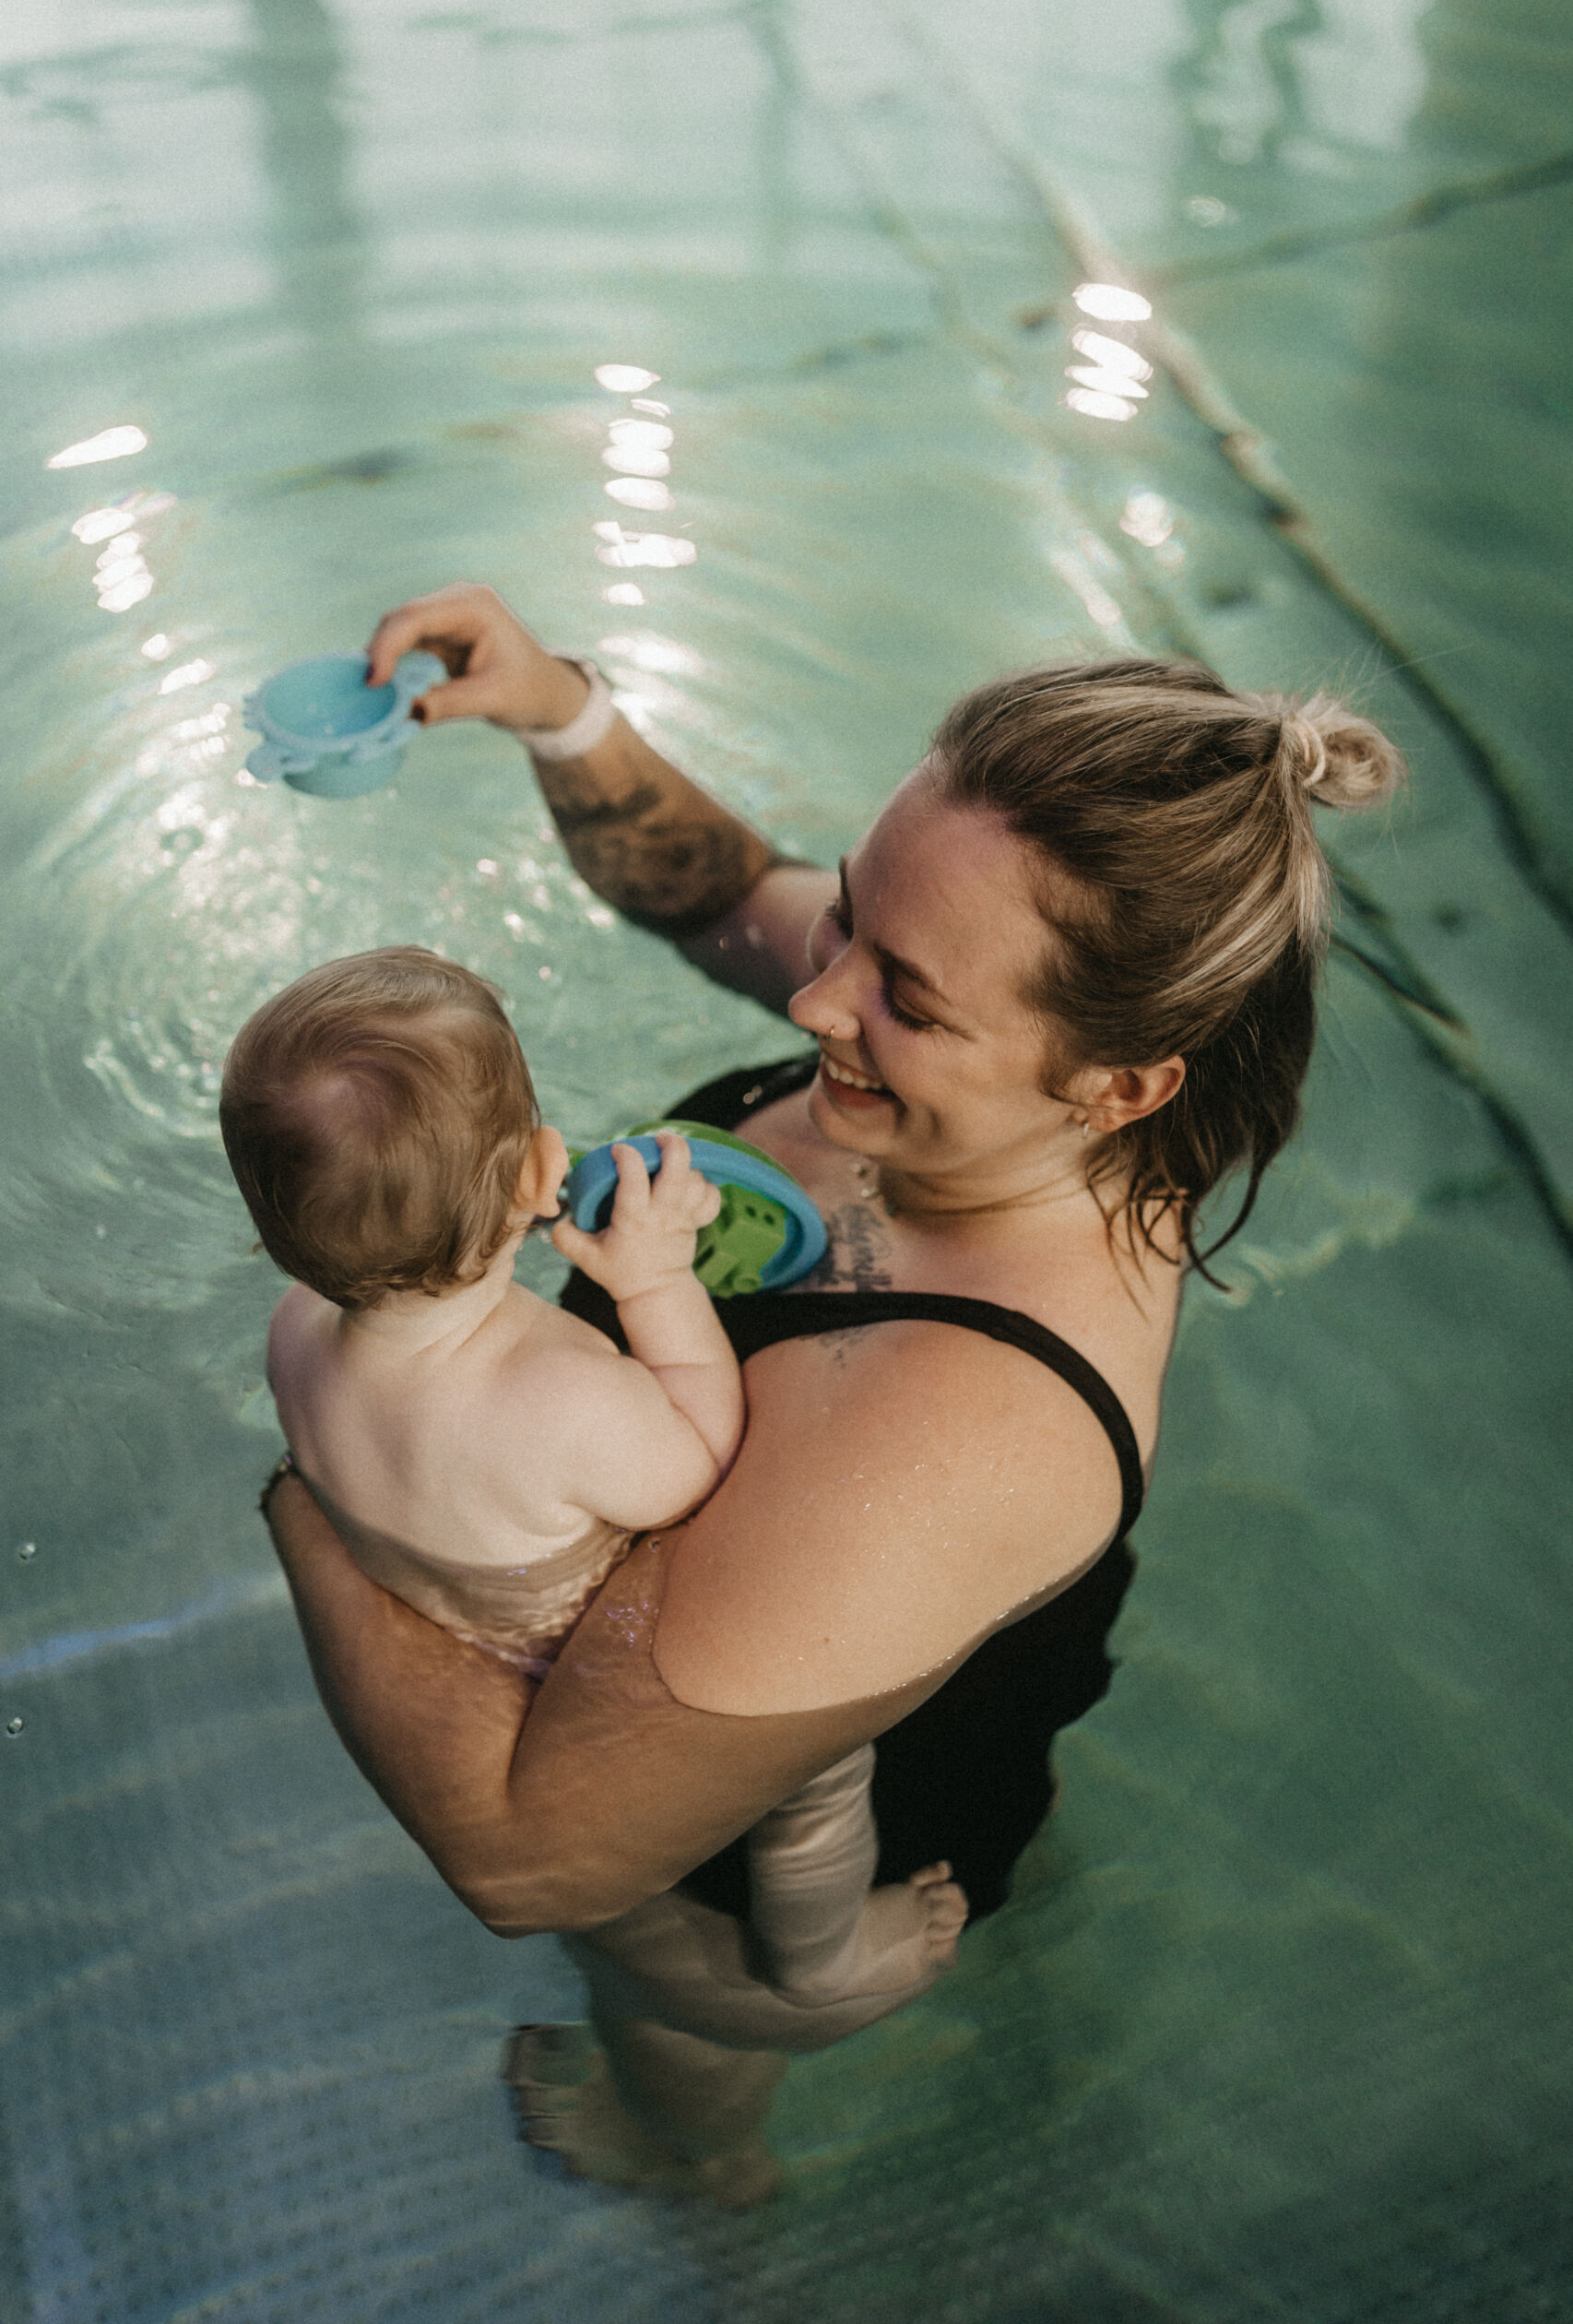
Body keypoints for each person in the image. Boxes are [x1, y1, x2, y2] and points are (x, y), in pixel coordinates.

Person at [260, 582, 1405, 2206]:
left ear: (1120, 1084)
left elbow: (530, 1861)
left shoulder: (959, 1426)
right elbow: (723, 891)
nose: (815, 1002)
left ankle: (699, 2171)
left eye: (903, 999)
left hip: (764, 1864)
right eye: (854, 915)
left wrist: (309, 1498)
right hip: (851, 1658)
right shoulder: (984, 1062)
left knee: (683, 2009)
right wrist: (560, 714)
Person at [219, 946, 967, 2028]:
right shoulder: (554, 1398)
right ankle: (819, 1956)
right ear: (540, 1175)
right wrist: (654, 1279)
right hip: (575, 1664)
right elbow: (698, 1465)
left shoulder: (295, 1332)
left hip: (465, 1628)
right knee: (820, 1768)